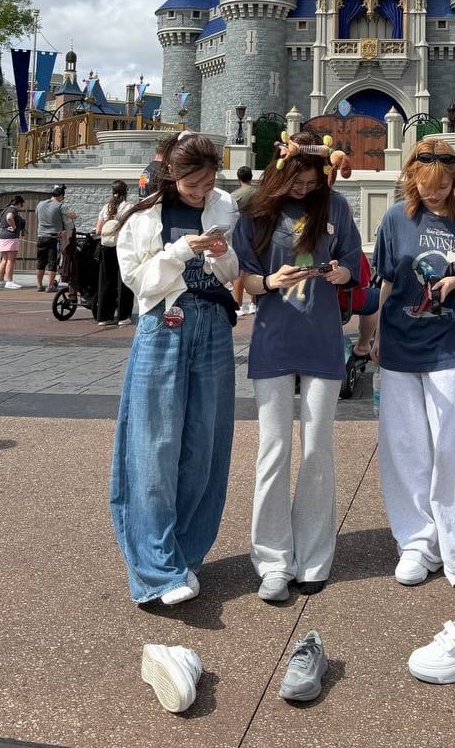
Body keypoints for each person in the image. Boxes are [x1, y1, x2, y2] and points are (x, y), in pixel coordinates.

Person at [371, 138, 455, 592]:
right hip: (399, 344)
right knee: (405, 447)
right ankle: (417, 542)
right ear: (411, 179)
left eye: (442, 186)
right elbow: (386, 279)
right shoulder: (395, 219)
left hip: (451, 343)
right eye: (424, 186)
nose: (433, 194)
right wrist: (372, 334)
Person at [110, 133, 239, 606]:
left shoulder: (224, 205)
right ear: (171, 175)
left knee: (206, 443)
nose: (202, 192)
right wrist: (181, 250)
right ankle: (156, 570)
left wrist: (222, 255)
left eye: (208, 183)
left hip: (212, 326)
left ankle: (184, 555)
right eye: (192, 184)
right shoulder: (140, 218)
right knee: (154, 445)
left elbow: (231, 274)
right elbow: (139, 284)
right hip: (163, 324)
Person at [232, 131, 361, 603]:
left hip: (323, 340)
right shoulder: (256, 211)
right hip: (274, 340)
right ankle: (272, 561)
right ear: (280, 172)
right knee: (273, 449)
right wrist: (270, 280)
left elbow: (354, 264)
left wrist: (340, 273)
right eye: (297, 182)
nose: (305, 189)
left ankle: (312, 558)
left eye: (312, 182)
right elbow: (245, 278)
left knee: (316, 451)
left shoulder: (336, 208)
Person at [95, 181, 135, 327]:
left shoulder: (106, 207)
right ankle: (123, 316)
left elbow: (98, 230)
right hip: (123, 246)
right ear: (126, 192)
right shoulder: (129, 207)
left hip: (106, 246)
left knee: (106, 280)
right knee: (124, 280)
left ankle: (103, 316)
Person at [34, 185, 73, 292]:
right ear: (60, 196)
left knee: (40, 261)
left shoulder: (40, 204)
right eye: (63, 197)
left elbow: (37, 214)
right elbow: (71, 217)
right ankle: (50, 286)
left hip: (41, 236)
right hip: (54, 237)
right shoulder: (61, 206)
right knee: (52, 262)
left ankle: (39, 285)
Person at [230, 166, 256, 317]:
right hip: (258, 233)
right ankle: (254, 304)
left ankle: (238, 305)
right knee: (256, 268)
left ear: (238, 178)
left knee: (239, 270)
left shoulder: (235, 195)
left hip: (240, 234)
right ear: (251, 177)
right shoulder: (259, 193)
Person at [0, 195, 26, 290]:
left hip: (2, 237)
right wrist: (14, 226)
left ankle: (0, 281)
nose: (21, 207)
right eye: (22, 205)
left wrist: (5, 227)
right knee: (10, 260)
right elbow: (9, 218)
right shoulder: (13, 210)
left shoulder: (4, 209)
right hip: (11, 237)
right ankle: (9, 281)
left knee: (4, 259)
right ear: (19, 203)